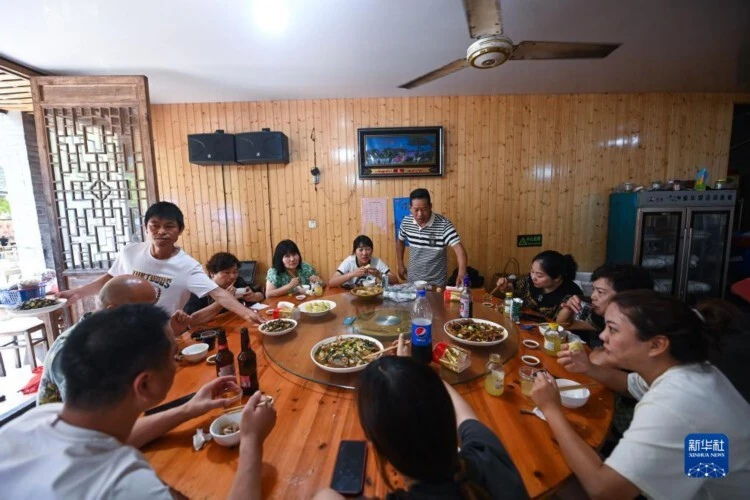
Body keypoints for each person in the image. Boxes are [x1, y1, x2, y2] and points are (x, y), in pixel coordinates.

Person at [0, 305, 276, 498]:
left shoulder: (40, 417)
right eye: (173, 356)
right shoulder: (125, 485)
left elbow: (111, 438)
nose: (176, 361)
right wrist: (251, 440)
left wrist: (188, 410)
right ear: (144, 384)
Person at [532, 290, 750, 499]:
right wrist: (589, 368)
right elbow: (628, 384)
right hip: (687, 482)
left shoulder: (677, 403)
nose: (602, 335)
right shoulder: (686, 370)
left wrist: (551, 408)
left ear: (657, 344)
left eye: (613, 329)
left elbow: (603, 490)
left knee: (548, 462)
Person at [315, 354, 527, 500]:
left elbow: (325, 495)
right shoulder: (487, 453)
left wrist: (408, 376)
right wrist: (411, 375)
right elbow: (464, 413)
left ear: (377, 446)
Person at [57, 201, 262, 325]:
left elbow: (219, 294)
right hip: (120, 326)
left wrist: (247, 314)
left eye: (169, 226)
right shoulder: (130, 252)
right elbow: (110, 279)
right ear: (146, 228)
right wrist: (78, 293)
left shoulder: (188, 266)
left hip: (161, 333)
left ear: (180, 230)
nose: (161, 231)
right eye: (154, 226)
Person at [556, 263, 654, 337]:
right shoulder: (601, 315)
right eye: (593, 290)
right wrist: (568, 309)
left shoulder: (642, 328)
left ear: (626, 296)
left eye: (600, 292)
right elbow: (566, 325)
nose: (592, 296)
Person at [396, 188, 468, 287]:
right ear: (410, 208)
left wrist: (462, 272)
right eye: (416, 210)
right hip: (413, 281)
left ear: (430, 206)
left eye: (424, 209)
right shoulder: (406, 222)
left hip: (436, 284)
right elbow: (400, 241)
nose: (420, 214)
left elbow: (459, 250)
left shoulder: (444, 224)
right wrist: (400, 264)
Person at [495, 250, 581, 318]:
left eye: (539, 275)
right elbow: (513, 288)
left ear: (557, 277)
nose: (533, 277)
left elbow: (570, 326)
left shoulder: (572, 294)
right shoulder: (529, 280)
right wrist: (505, 287)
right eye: (532, 271)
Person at [184, 252, 265, 324]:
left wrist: (253, 297)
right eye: (226, 272)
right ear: (212, 274)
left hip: (234, 323)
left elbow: (261, 295)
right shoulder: (200, 288)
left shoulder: (238, 281)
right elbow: (191, 320)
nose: (232, 276)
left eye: (235, 272)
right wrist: (225, 300)